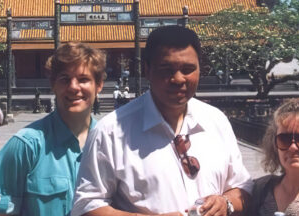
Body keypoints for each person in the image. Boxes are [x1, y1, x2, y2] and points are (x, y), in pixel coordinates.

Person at [72, 26, 252, 216]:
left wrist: (225, 202)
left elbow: (243, 186)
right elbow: (86, 205)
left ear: (201, 69)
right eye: (167, 70)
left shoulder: (216, 121)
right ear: (147, 70)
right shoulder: (110, 132)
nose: (178, 79)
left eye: (188, 69)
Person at [0, 42, 107, 216]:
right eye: (64, 79)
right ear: (53, 84)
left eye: (83, 79)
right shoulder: (27, 146)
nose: (73, 87)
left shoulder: (110, 143)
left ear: (99, 85)